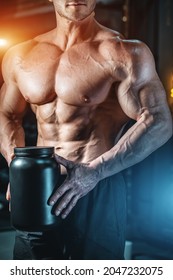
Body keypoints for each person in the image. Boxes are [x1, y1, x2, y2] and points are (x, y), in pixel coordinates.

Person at [0, 0, 172, 260]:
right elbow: (7, 113)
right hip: (38, 184)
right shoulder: (20, 55)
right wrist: (17, 164)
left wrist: (97, 171)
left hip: (97, 183)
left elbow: (159, 120)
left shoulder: (123, 53)